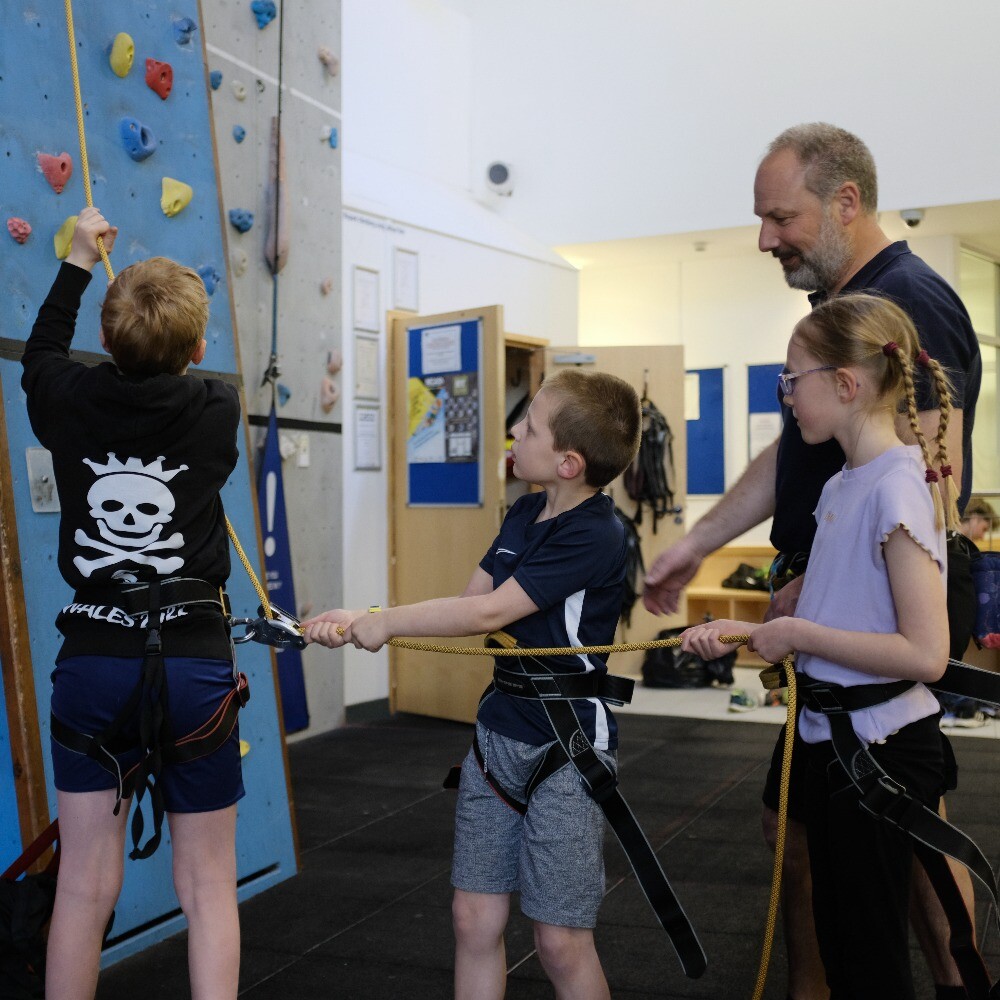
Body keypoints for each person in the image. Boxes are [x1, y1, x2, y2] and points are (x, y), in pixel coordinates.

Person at [644, 123, 982, 1000]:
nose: (765, 239)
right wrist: (698, 545)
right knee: (809, 830)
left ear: (845, 201)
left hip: (871, 635)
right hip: (832, 615)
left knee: (904, 839)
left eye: (779, 216)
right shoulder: (834, 325)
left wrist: (822, 607)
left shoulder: (908, 304)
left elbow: (928, 477)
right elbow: (799, 466)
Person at [304, 368, 642, 1000]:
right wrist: (362, 621)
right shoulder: (522, 512)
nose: (514, 429)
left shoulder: (597, 533)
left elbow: (490, 615)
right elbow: (467, 602)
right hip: (498, 736)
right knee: (473, 918)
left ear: (568, 463)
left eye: (530, 424)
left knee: (560, 941)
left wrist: (379, 623)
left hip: (566, 747)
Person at [680, 293, 960, 999]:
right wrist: (746, 631)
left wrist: (797, 634)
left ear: (846, 384)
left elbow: (925, 654)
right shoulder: (843, 483)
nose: (786, 396)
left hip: (881, 749)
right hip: (833, 742)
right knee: (842, 943)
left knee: (870, 960)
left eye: (792, 379)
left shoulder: (895, 490)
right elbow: (848, 618)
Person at [21, 207, 244, 1000]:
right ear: (197, 349)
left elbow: (42, 352)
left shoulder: (67, 400)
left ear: (107, 344)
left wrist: (80, 258)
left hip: (95, 660)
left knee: (83, 883)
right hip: (192, 662)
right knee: (209, 882)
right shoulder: (217, 410)